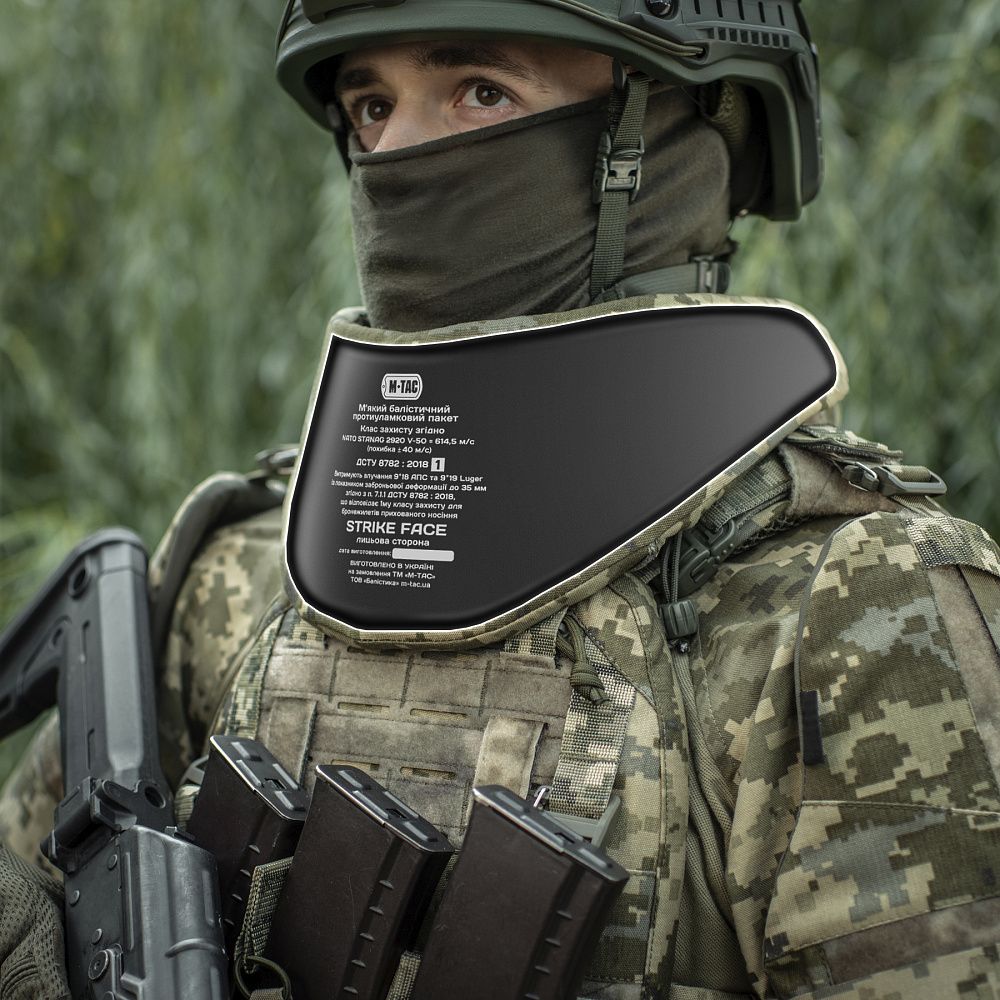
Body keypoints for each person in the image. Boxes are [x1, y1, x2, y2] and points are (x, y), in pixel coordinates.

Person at [2, 1, 999, 998]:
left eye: (480, 91)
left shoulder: (857, 612)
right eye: (370, 106)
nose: (396, 155)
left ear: (670, 132)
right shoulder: (242, 576)